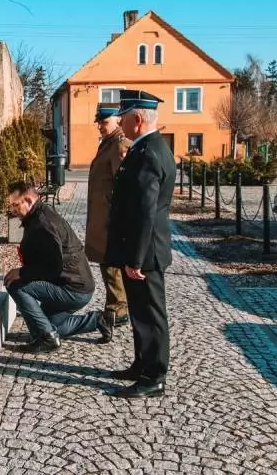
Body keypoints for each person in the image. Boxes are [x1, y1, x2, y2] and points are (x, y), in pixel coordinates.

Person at [103, 89, 176, 398]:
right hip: (141, 247)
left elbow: (146, 211)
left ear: (138, 119)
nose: (120, 122)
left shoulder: (149, 153)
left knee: (151, 314)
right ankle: (141, 364)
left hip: (147, 251)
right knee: (139, 312)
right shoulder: (145, 148)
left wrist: (136, 258)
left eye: (124, 117)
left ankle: (154, 376)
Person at [4, 180, 103, 353]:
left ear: (28, 200)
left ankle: (47, 339)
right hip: (75, 283)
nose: (13, 210)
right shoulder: (39, 214)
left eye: (15, 204)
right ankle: (99, 320)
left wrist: (22, 272)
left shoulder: (42, 224)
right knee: (49, 325)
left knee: (16, 284)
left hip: (73, 288)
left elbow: (53, 267)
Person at [86, 103, 133, 343]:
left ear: (117, 120)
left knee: (111, 262)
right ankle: (114, 305)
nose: (100, 126)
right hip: (102, 215)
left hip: (109, 218)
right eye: (99, 122)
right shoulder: (108, 143)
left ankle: (118, 309)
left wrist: (116, 218)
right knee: (106, 263)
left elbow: (123, 186)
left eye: (104, 122)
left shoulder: (120, 144)